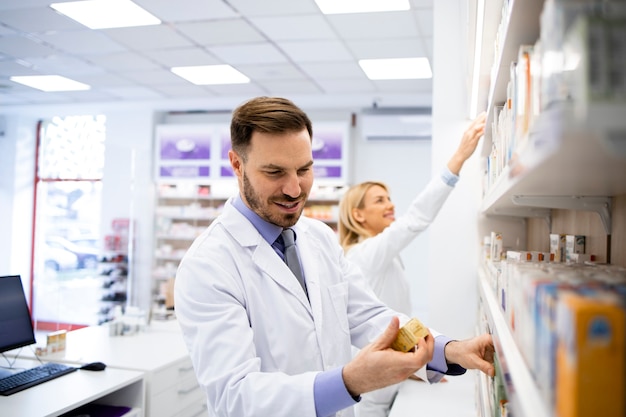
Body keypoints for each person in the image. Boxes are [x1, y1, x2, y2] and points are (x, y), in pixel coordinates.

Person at [174, 96, 494, 417]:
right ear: (236, 164)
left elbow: (368, 316)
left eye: (305, 169)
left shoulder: (319, 238)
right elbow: (236, 396)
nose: (295, 189)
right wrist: (349, 382)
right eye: (274, 172)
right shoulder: (207, 266)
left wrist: (449, 350)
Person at [337, 112, 487, 417]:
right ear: (358, 215)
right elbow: (417, 219)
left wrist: (424, 364)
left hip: (389, 381)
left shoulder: (381, 255)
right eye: (379, 200)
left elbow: (394, 316)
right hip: (372, 395)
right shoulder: (366, 253)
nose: (390, 204)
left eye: (389, 197)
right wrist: (458, 158)